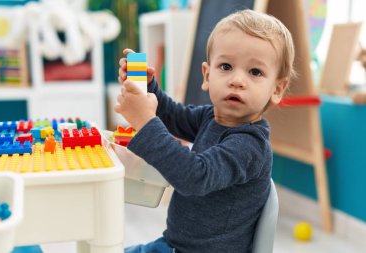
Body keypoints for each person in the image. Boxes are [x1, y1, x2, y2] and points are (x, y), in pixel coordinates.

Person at [115, 9, 295, 253]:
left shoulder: (250, 145)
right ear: (207, 76)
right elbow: (172, 115)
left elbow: (195, 177)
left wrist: (145, 121)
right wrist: (148, 89)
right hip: (175, 245)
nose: (237, 80)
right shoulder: (211, 117)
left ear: (277, 89)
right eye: (226, 66)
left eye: (255, 72)